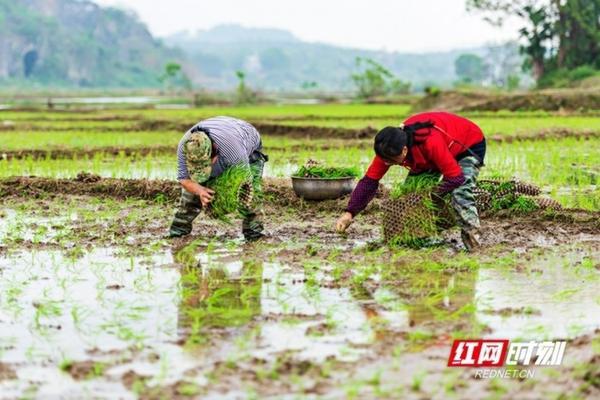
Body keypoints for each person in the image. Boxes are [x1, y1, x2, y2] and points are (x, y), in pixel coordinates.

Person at [335, 111, 486, 251]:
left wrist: (432, 194)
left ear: (405, 151)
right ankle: (420, 240)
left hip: (467, 145)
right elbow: (369, 181)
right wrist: (349, 213)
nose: (387, 164)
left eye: (392, 161)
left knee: (460, 192)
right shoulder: (387, 150)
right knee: (410, 195)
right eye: (385, 161)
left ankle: (474, 243)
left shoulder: (430, 142)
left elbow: (456, 178)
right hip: (429, 158)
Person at [169, 116, 268, 241]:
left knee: (250, 199)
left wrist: (223, 201)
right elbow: (184, 180)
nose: (202, 169)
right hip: (223, 129)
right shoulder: (186, 147)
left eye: (205, 165)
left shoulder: (232, 153)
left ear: (215, 155)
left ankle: (254, 236)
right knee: (190, 196)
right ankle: (177, 234)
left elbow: (245, 184)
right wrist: (200, 191)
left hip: (246, 141)